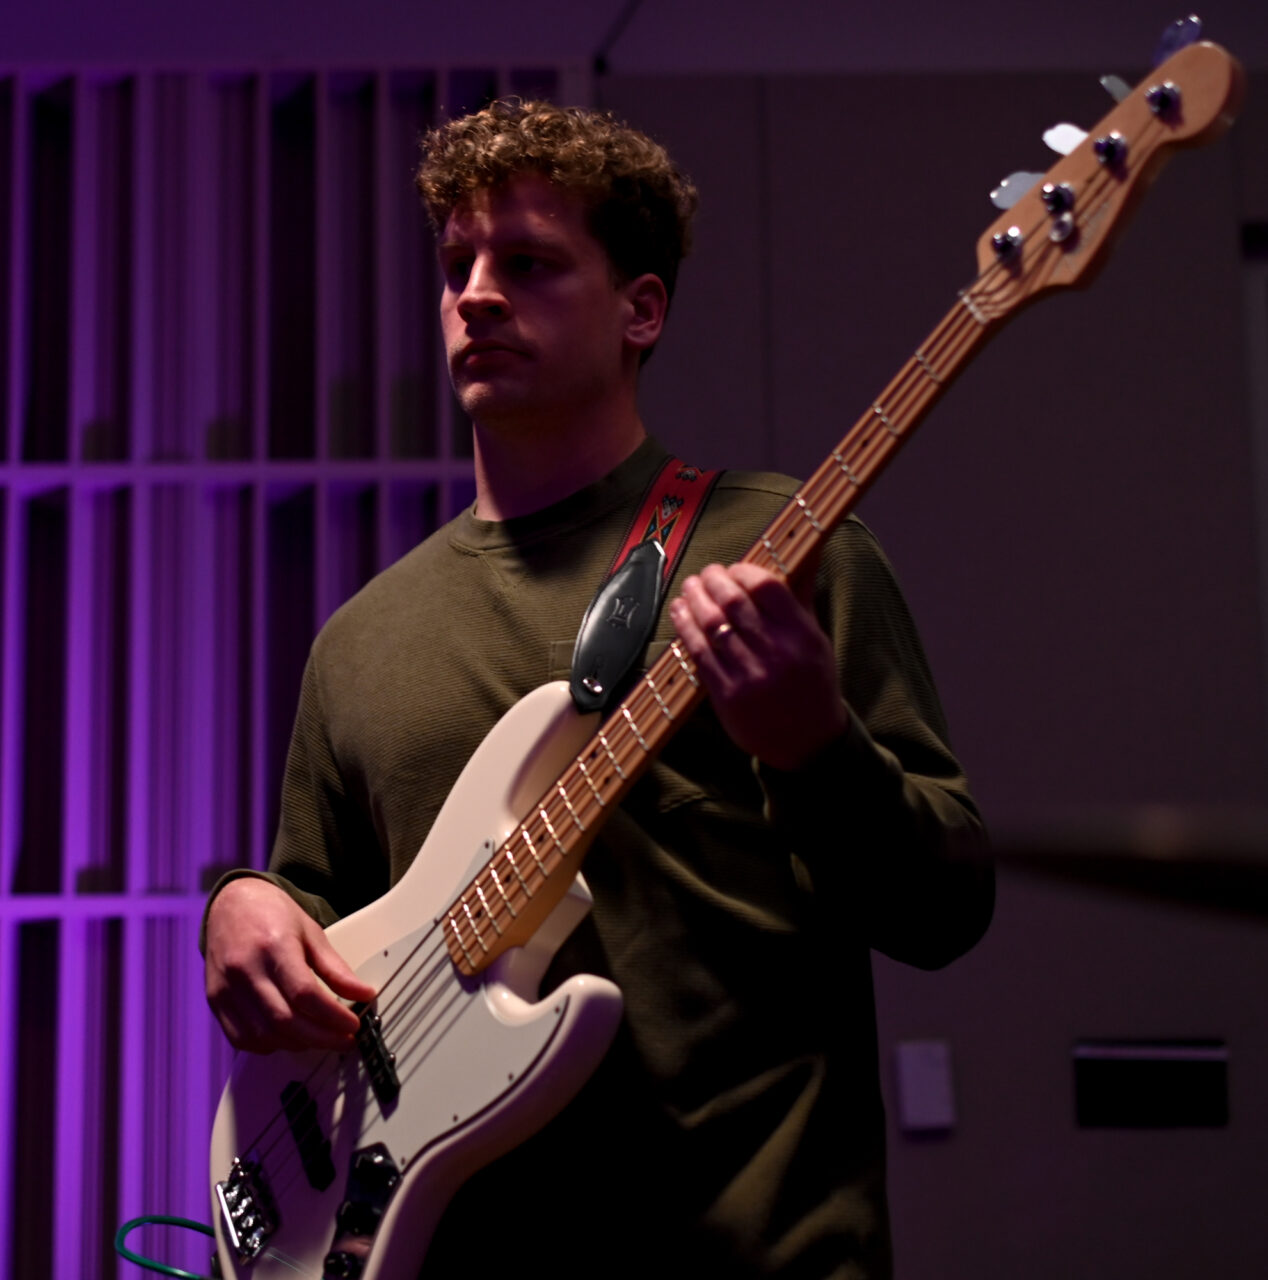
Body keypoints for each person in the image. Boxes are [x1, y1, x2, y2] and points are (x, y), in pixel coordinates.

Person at [204, 99, 992, 1278]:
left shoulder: (779, 545)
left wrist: (813, 745)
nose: (474, 293)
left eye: (525, 262)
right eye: (455, 264)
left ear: (641, 308)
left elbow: (944, 907)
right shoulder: (361, 639)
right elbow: (316, 915)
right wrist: (235, 907)